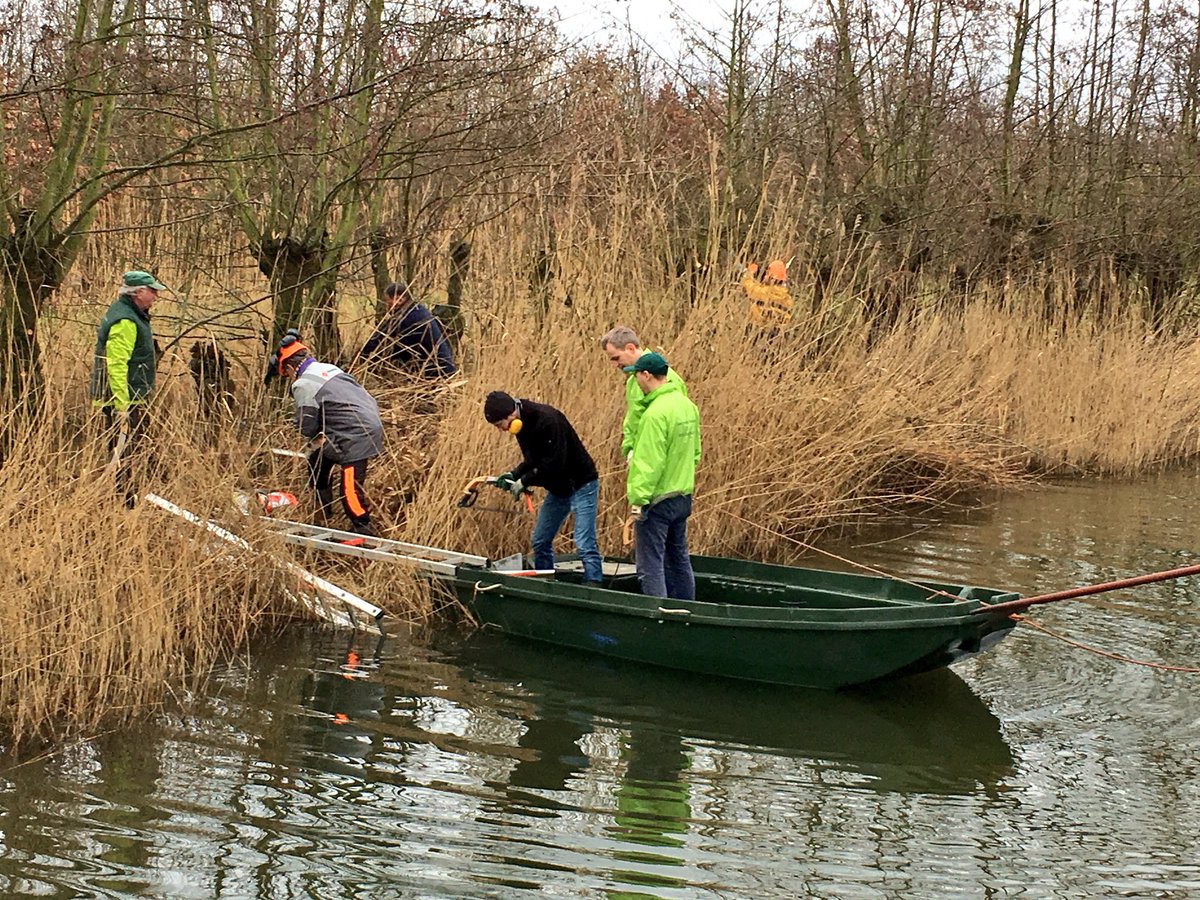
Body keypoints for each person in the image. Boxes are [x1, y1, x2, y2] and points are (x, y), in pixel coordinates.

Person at [266, 329, 384, 537]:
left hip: (354, 434)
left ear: (291, 367)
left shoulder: (303, 383)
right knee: (317, 459)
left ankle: (365, 531)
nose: (289, 378)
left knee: (349, 491)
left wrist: (297, 421)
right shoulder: (327, 368)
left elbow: (307, 427)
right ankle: (322, 512)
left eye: (287, 374)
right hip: (365, 422)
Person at [483, 391, 602, 584]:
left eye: (499, 425)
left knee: (583, 543)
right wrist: (514, 475)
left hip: (581, 483)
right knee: (540, 540)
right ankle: (545, 582)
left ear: (511, 415)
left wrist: (524, 481)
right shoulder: (520, 426)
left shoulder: (548, 420)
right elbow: (533, 460)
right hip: (559, 488)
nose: (500, 430)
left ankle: (593, 586)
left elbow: (554, 465)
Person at [624, 352, 701, 601]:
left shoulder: (655, 414)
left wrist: (637, 500)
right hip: (682, 495)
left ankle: (659, 614)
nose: (635, 382)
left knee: (650, 564)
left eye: (636, 376)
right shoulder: (687, 406)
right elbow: (696, 453)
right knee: (679, 557)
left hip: (657, 500)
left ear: (646, 375)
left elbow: (648, 464)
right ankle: (686, 610)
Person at [88, 270, 165, 506]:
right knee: (123, 450)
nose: (155, 296)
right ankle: (126, 502)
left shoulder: (131, 313)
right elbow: (116, 364)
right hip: (121, 398)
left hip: (130, 396)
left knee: (136, 445)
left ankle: (144, 494)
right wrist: (121, 405)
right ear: (138, 293)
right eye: (152, 291)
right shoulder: (125, 321)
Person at [599, 325, 687, 462]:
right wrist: (629, 449)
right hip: (641, 457)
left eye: (616, 358)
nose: (615, 365)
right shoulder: (632, 380)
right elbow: (633, 419)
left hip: (660, 460)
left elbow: (677, 424)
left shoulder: (666, 377)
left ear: (630, 348)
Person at [360, 281, 456, 378]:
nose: (386, 306)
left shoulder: (409, 318)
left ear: (399, 299)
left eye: (387, 301)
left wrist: (363, 360)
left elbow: (381, 342)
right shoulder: (417, 310)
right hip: (440, 371)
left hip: (437, 374)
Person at [741, 259, 793, 329]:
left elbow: (749, 288)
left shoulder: (765, 292)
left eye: (767, 273)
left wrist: (749, 272)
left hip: (759, 331)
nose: (765, 275)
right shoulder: (787, 298)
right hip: (777, 333)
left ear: (772, 278)